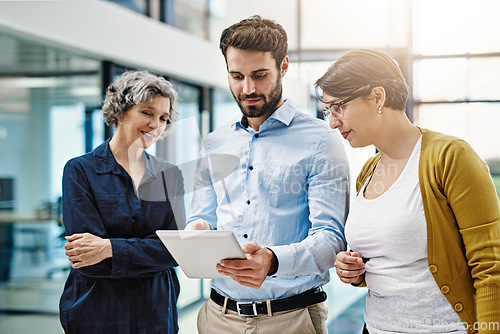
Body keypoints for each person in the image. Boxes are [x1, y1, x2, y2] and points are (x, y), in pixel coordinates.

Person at [315, 49, 500, 333]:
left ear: (378, 97)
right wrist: (353, 269)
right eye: (328, 110)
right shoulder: (369, 170)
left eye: (338, 107)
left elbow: (490, 267)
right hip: (375, 327)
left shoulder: (451, 157)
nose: (332, 121)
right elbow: (392, 258)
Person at [186, 15, 350, 334]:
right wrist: (199, 229)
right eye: (237, 76)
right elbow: (202, 215)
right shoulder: (215, 142)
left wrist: (273, 260)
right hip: (217, 317)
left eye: (259, 75)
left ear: (283, 66)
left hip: (291, 320)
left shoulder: (321, 140)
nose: (248, 89)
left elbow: (332, 238)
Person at [59, 70, 186, 334]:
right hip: (97, 309)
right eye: (147, 112)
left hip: (156, 309)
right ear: (120, 111)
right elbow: (89, 260)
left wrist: (109, 248)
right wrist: (149, 252)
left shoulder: (170, 175)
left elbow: (175, 249)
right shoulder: (80, 171)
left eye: (163, 118)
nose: (156, 125)